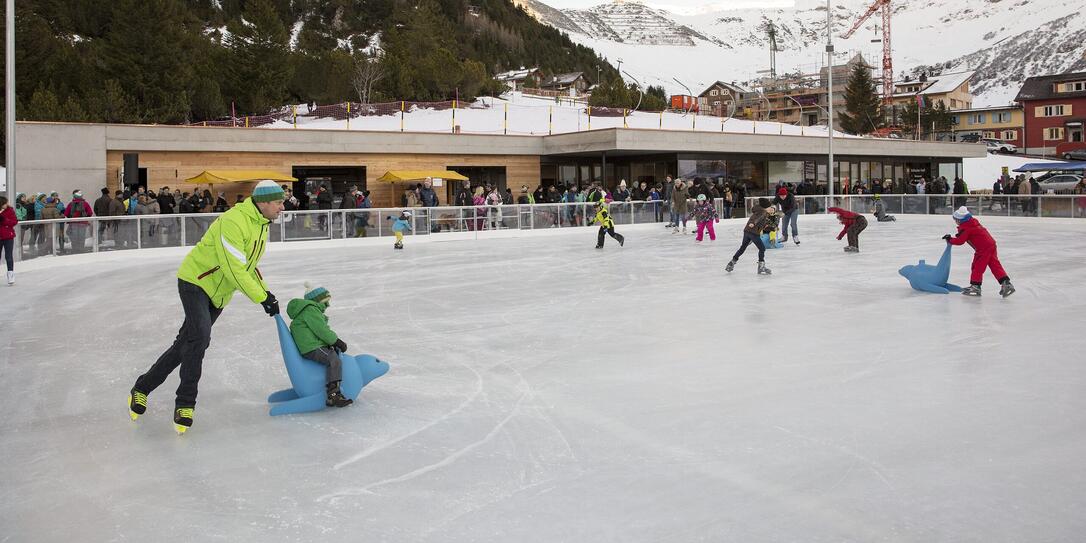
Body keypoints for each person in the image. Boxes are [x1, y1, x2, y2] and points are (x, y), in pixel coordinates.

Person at [128, 181, 286, 434]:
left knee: (186, 345)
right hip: (195, 282)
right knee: (200, 338)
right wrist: (260, 297)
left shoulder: (261, 226)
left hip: (219, 293)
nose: (282, 207)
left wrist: (266, 292)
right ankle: (185, 404)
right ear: (264, 202)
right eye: (279, 202)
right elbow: (233, 267)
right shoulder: (234, 221)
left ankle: (142, 388)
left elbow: (248, 266)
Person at [286, 284, 353, 407]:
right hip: (311, 347)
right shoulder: (311, 310)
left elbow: (316, 332)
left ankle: (333, 392)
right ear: (317, 300)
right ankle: (334, 395)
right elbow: (321, 331)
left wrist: (331, 344)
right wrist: (336, 341)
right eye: (326, 302)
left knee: (333, 354)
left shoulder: (307, 311)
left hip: (311, 345)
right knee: (334, 360)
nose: (328, 305)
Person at [944, 206, 1014, 298]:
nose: (955, 221)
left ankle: (975, 287)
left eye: (956, 219)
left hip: (983, 249)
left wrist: (950, 240)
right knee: (995, 265)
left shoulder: (967, 227)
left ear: (960, 220)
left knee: (977, 267)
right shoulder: (972, 223)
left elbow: (960, 241)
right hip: (991, 245)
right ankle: (1006, 284)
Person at [725, 198, 773, 275]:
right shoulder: (763, 212)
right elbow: (757, 219)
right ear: (765, 207)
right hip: (753, 233)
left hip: (747, 231)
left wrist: (769, 227)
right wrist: (753, 223)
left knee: (742, 248)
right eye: (769, 207)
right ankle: (761, 267)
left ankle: (732, 262)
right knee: (762, 248)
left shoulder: (759, 210)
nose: (770, 208)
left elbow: (760, 222)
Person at [0, 196, 17, 285]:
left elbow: (14, 222)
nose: (6, 204)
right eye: (4, 203)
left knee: (8, 256)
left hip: (8, 236)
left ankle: (10, 274)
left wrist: (4, 220)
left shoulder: (10, 210)